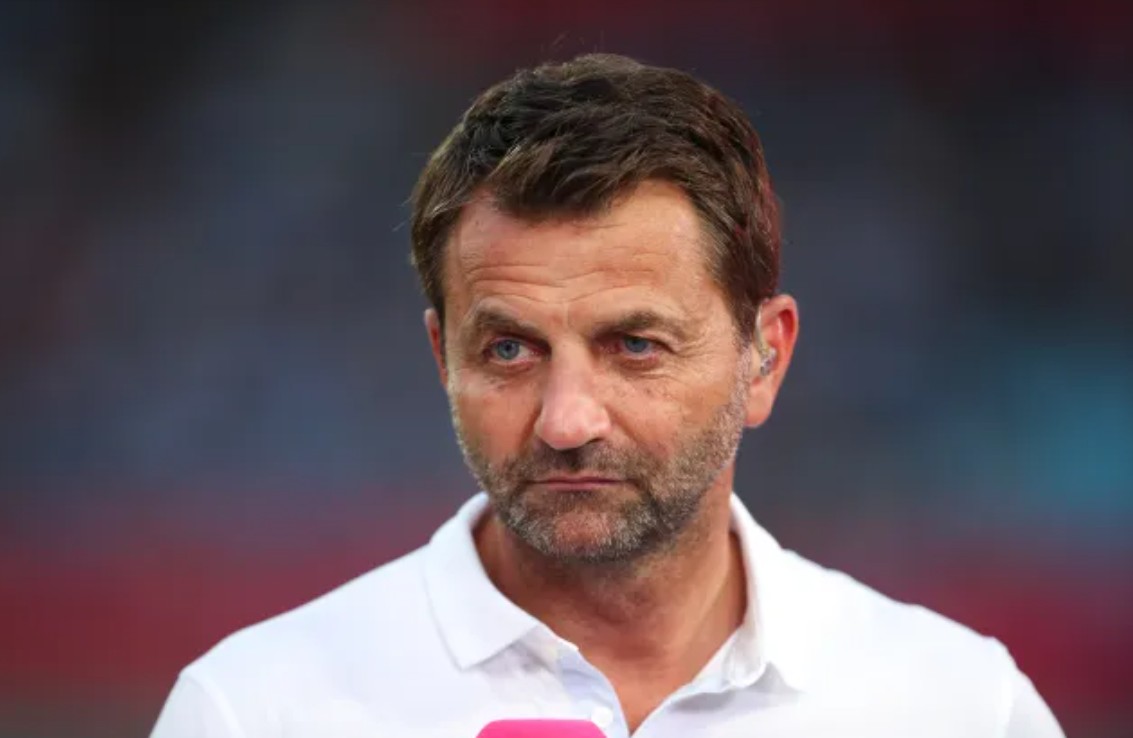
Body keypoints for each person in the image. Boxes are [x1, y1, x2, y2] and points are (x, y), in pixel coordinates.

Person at [150, 54, 1064, 738]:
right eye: (509, 349)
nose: (566, 420)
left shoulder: (957, 707)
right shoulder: (253, 712)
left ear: (764, 358)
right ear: (441, 357)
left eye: (634, 346)